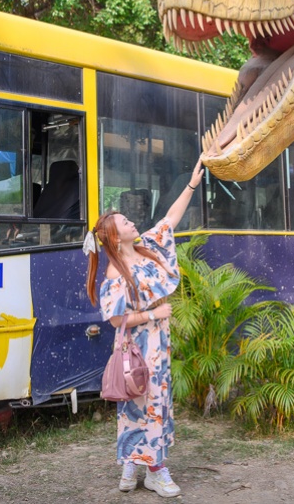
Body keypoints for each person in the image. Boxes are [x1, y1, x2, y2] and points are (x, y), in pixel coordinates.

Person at [84, 159, 205, 498]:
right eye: (124, 220)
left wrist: (191, 185)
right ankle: (155, 470)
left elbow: (170, 219)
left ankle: (131, 465)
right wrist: (155, 314)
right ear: (113, 235)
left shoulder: (145, 248)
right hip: (137, 349)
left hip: (156, 346)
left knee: (151, 402)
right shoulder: (114, 273)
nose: (131, 219)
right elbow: (114, 320)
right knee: (141, 403)